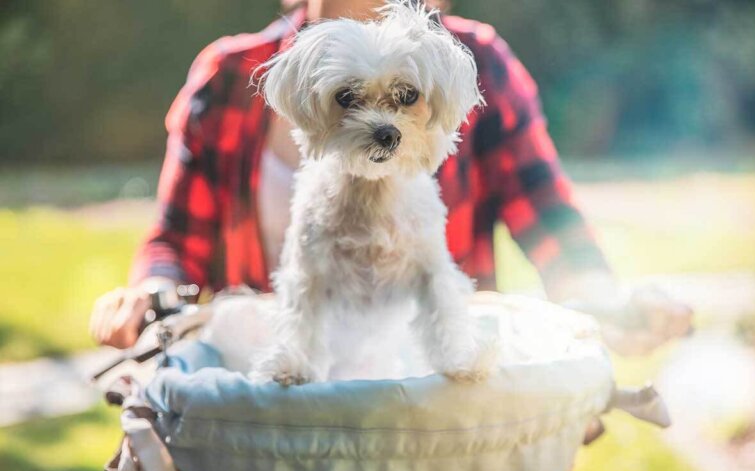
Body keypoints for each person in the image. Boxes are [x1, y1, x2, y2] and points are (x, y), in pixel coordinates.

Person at [90, 0, 692, 353]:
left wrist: (607, 305)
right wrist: (150, 294)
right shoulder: (229, 75)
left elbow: (549, 218)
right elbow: (176, 239)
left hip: (426, 406)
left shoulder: (474, 65)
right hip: (273, 410)